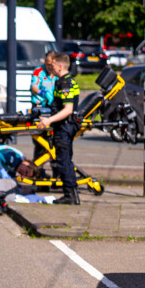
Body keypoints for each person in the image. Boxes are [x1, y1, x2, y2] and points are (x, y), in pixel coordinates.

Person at [36, 52, 81, 205]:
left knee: (64, 161)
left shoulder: (65, 83)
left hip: (64, 126)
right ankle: (71, 194)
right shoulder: (65, 81)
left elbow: (68, 109)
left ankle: (70, 196)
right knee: (64, 160)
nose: (51, 68)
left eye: (53, 65)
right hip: (64, 126)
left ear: (60, 66)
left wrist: (50, 120)